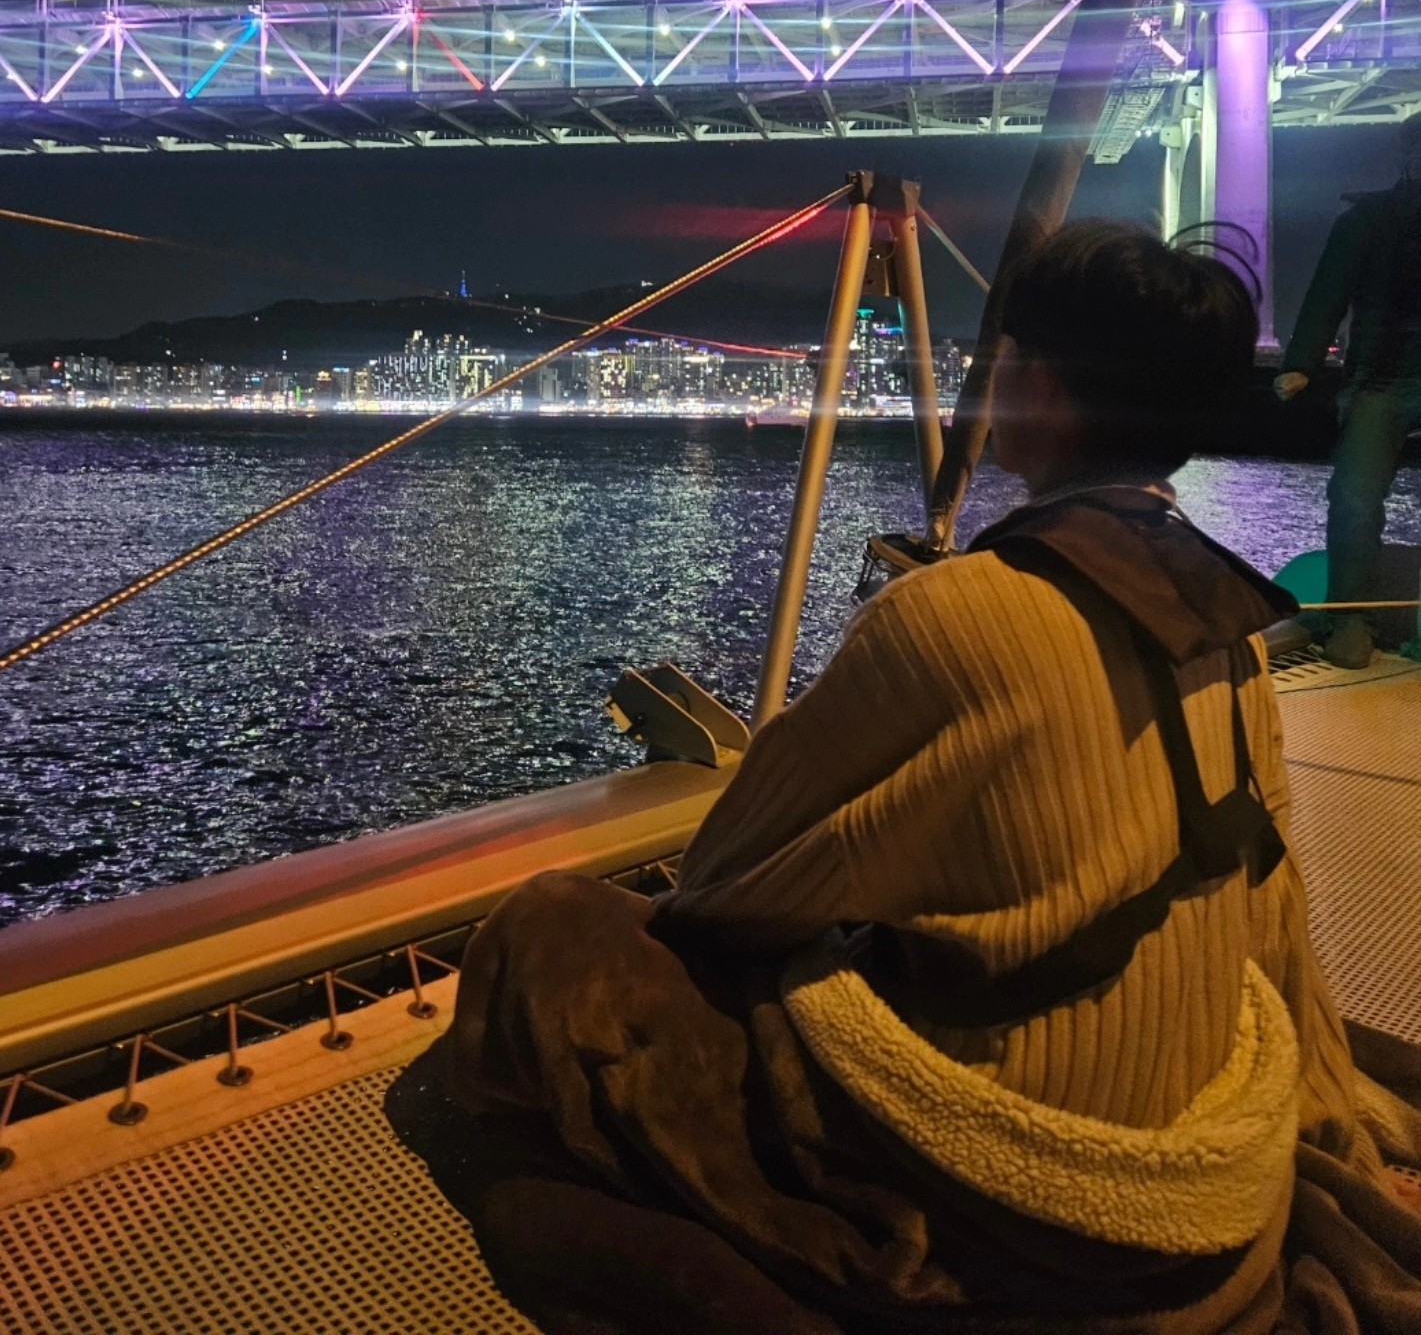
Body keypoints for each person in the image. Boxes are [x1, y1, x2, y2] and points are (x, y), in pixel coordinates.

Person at [428, 221, 1419, 1335]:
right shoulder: (1232, 623)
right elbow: (1269, 897)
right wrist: (1323, 1118)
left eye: (1002, 357)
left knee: (550, 931)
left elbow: (727, 886)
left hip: (1047, 1216)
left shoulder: (952, 614)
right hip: (1210, 1205)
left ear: (1039, 385)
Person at [1275, 112, 1421, 667]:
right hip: (1381, 377)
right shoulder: (1365, 221)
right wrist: (1302, 363)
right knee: (1355, 493)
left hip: (1383, 378)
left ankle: (1353, 617)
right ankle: (1350, 617)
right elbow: (1326, 295)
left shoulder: (1364, 219)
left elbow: (1324, 295)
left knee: (1355, 494)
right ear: (1407, 157)